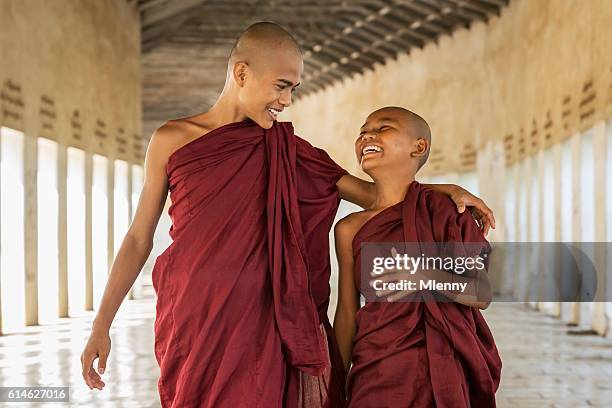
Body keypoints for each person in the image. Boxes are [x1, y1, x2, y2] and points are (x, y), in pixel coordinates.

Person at [80, 23, 496, 407]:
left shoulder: (290, 151)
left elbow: (377, 194)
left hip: (271, 323)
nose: (286, 100)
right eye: (280, 86)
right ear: (241, 73)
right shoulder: (172, 139)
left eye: (293, 88)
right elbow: (138, 238)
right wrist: (102, 324)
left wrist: (443, 190)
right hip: (196, 316)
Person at [333, 107, 502, 407]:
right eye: (362, 131)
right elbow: (346, 312)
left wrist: (424, 275)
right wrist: (334, 385)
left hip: (442, 366)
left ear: (419, 147)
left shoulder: (448, 212)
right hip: (378, 368)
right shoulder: (349, 229)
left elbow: (480, 292)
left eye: (384, 127)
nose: (367, 135)